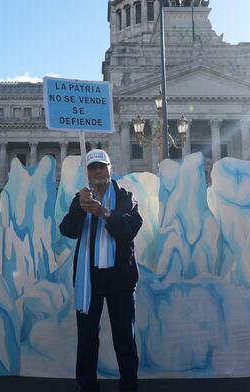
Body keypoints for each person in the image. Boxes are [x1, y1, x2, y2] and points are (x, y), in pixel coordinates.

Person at [60, 149, 143, 391]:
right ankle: (87, 385)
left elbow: (129, 228)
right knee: (86, 339)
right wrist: (79, 208)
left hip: (120, 278)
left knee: (124, 339)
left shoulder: (125, 196)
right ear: (87, 173)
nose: (97, 171)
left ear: (110, 169)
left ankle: (129, 385)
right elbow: (68, 230)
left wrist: (103, 212)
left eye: (101, 167)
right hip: (89, 278)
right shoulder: (81, 199)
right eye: (92, 168)